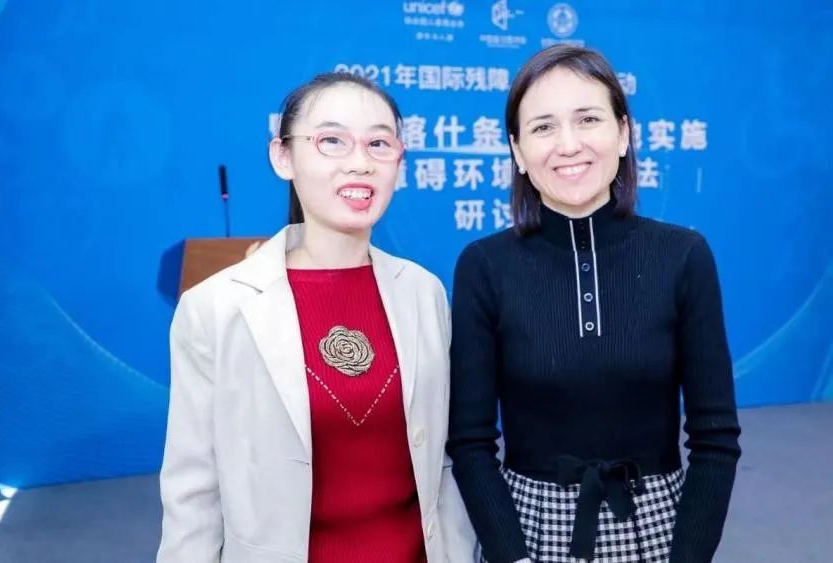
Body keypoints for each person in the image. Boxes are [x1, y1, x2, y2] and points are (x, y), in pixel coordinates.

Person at [158, 72, 475, 563]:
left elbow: (446, 461)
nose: (359, 163)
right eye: (332, 141)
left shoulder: (423, 292)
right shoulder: (216, 308)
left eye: (378, 144)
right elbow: (192, 491)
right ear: (283, 157)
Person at [447, 45, 741, 563]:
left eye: (588, 119)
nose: (569, 144)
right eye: (543, 127)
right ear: (517, 150)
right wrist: (512, 555)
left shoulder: (683, 255)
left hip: (658, 529)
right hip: (530, 530)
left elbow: (715, 439)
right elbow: (470, 442)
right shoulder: (484, 265)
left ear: (623, 133)